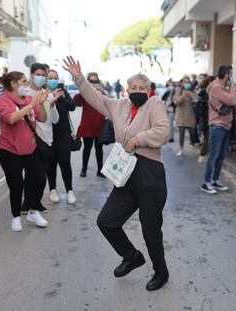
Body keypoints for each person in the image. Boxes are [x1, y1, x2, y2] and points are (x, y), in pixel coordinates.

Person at [63, 56, 170, 291]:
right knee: (106, 221)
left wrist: (136, 139)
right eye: (133, 88)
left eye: (142, 88)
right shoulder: (119, 106)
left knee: (150, 229)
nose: (138, 91)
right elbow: (95, 97)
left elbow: (162, 132)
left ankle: (161, 272)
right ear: (127, 89)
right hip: (126, 173)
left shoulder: (155, 105)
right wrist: (80, 78)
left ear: (149, 90)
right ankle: (131, 256)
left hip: (150, 173)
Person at [0, 71, 48, 231]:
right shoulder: (2, 100)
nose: (27, 85)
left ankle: (32, 210)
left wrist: (42, 103)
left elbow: (42, 118)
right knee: (16, 184)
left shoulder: (30, 99)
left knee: (39, 178)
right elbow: (10, 119)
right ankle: (16, 216)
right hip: (9, 150)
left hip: (31, 148)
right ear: (14, 84)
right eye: (24, 82)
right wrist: (32, 105)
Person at [22, 63, 61, 213]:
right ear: (31, 75)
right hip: (30, 138)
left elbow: (55, 120)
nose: (41, 77)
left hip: (46, 139)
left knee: (40, 175)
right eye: (38, 74)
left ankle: (35, 202)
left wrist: (52, 105)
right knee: (32, 173)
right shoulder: (25, 93)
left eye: (43, 75)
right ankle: (28, 203)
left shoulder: (49, 94)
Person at [201, 65, 236, 194]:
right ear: (226, 74)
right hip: (218, 125)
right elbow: (232, 100)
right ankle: (206, 182)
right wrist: (233, 89)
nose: (231, 77)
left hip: (226, 125)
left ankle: (215, 180)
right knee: (214, 155)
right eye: (230, 74)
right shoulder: (216, 87)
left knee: (221, 155)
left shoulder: (222, 88)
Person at [46, 70, 77, 205]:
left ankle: (69, 190)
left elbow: (72, 107)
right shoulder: (42, 94)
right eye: (50, 78)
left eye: (55, 77)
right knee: (50, 163)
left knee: (65, 162)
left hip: (63, 133)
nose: (53, 80)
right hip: (47, 133)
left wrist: (60, 97)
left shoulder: (63, 92)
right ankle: (52, 190)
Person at [74, 72, 105, 178]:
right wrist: (82, 90)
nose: (93, 83)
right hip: (87, 125)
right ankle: (84, 169)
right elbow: (76, 102)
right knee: (87, 148)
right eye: (91, 81)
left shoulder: (101, 93)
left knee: (99, 149)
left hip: (99, 125)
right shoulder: (84, 93)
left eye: (95, 81)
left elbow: (107, 105)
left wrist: (101, 93)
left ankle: (100, 170)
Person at [173, 76, 197, 156]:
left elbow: (196, 101)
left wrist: (192, 96)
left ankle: (193, 144)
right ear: (183, 83)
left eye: (188, 82)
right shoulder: (179, 91)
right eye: (185, 82)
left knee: (192, 132)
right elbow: (176, 102)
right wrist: (183, 96)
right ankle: (181, 149)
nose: (187, 84)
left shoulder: (192, 91)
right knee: (181, 133)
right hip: (181, 116)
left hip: (190, 115)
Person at [196, 76, 215, 163]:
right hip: (206, 119)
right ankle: (203, 155)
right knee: (207, 138)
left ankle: (204, 154)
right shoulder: (206, 95)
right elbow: (204, 109)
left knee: (207, 138)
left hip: (205, 119)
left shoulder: (204, 93)